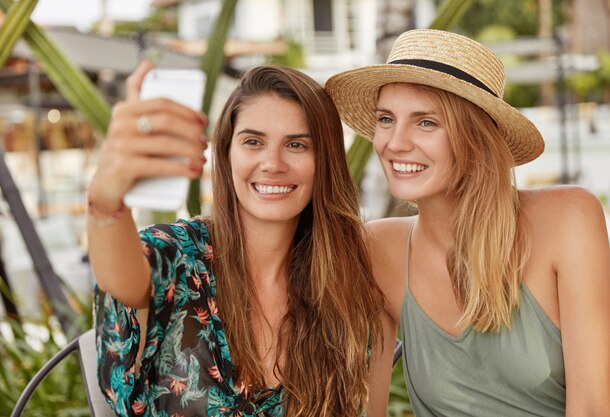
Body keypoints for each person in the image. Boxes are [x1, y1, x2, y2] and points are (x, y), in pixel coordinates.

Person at [326, 29, 610, 416]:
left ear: (474, 137)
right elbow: (362, 406)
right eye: (386, 119)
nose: (395, 142)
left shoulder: (567, 219)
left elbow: (593, 407)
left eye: (425, 122)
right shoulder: (378, 248)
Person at [87, 62, 391, 417]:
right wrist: (106, 197)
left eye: (296, 144)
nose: (272, 163)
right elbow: (120, 279)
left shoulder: (345, 285)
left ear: (324, 161)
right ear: (227, 153)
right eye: (253, 142)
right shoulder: (179, 255)